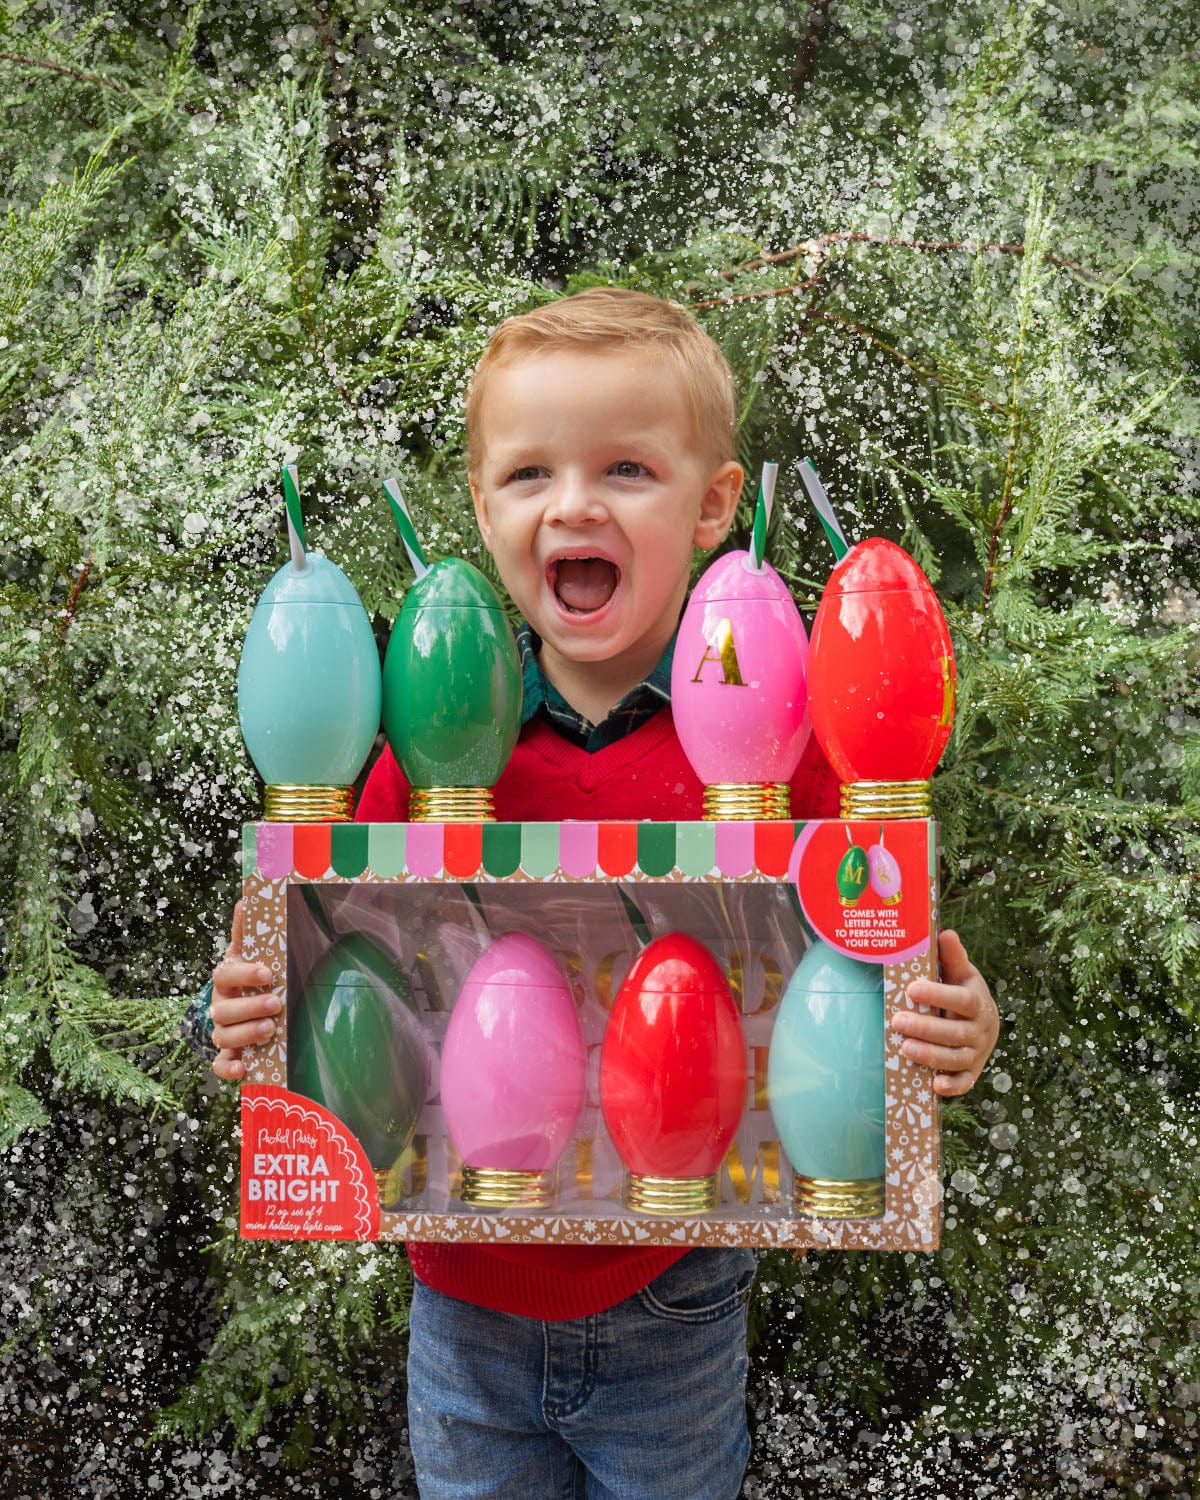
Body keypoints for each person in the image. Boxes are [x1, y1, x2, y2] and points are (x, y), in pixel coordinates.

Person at [196, 288, 1000, 1499]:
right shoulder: (427, 747)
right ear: (480, 507)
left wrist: (951, 1026)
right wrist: (252, 1016)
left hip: (669, 1290)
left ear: (715, 506)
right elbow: (331, 947)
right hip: (460, 1291)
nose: (573, 504)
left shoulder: (784, 750)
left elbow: (879, 947)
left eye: (626, 468)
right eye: (528, 476)